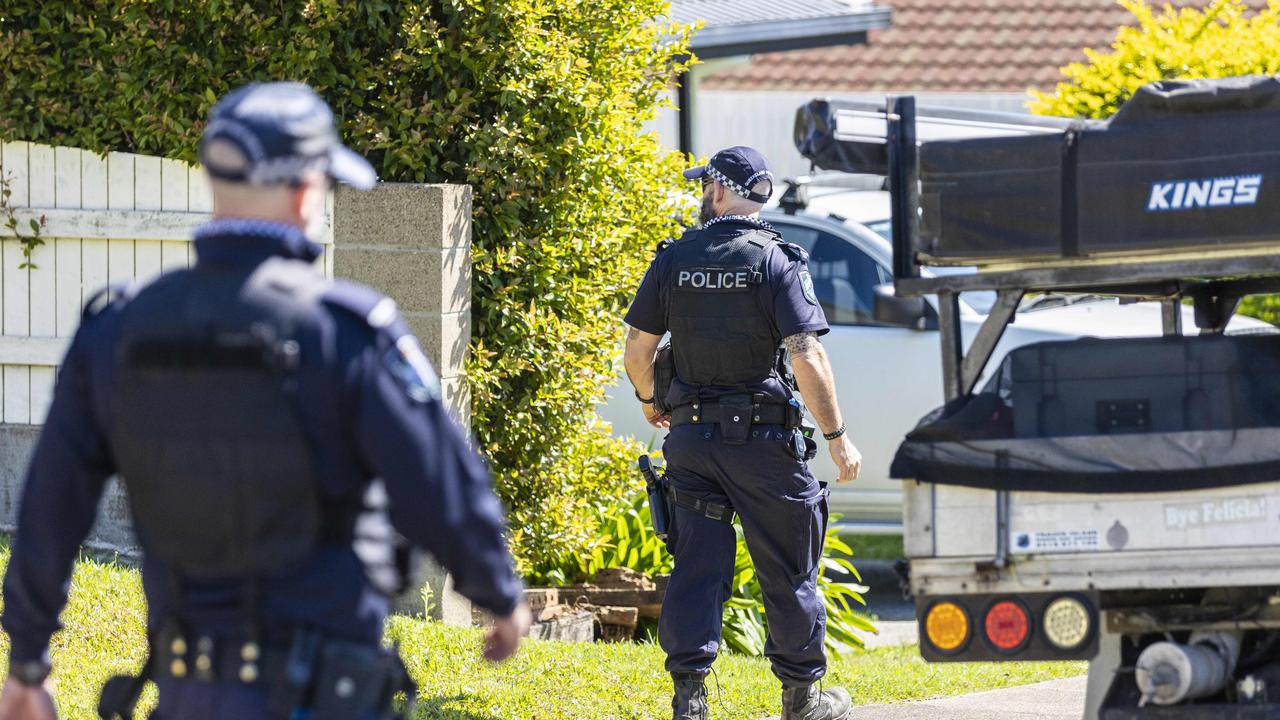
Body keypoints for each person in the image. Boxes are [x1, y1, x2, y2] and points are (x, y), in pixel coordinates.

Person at [0, 82, 531, 720]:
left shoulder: (118, 328)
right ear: (308, 188)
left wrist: (28, 663)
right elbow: (438, 482)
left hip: (186, 692)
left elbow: (50, 502)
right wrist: (497, 593)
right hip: (322, 691)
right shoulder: (344, 330)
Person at [623, 146, 863, 720]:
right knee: (787, 567)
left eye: (707, 183)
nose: (703, 192)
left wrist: (652, 400)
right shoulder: (777, 260)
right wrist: (837, 437)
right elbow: (806, 355)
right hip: (765, 447)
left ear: (722, 190)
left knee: (697, 566)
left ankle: (690, 699)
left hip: (693, 443)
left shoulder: (675, 256)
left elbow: (638, 348)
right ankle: (802, 699)